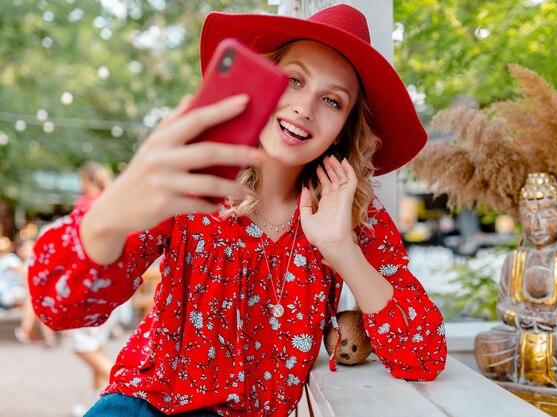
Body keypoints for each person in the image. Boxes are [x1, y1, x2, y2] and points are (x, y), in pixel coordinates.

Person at [28, 5, 446, 417]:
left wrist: (341, 249)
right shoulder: (198, 179)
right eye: (293, 80)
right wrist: (110, 215)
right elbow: (59, 308)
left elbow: (424, 356)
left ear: (344, 130)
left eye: (333, 101)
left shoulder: (353, 213)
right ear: (263, 85)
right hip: (147, 406)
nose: (304, 107)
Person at [474, 173, 557, 395]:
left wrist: (556, 322)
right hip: (521, 334)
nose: (536, 225)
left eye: (547, 216)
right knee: (488, 342)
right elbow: (503, 306)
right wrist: (520, 317)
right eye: (528, 217)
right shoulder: (514, 259)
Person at [66, 161, 122, 416]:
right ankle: (97, 404)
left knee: (84, 347)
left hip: (90, 289)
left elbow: (77, 249)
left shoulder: (87, 205)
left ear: (85, 180)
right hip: (113, 288)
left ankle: (123, 393)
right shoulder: (111, 202)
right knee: (95, 347)